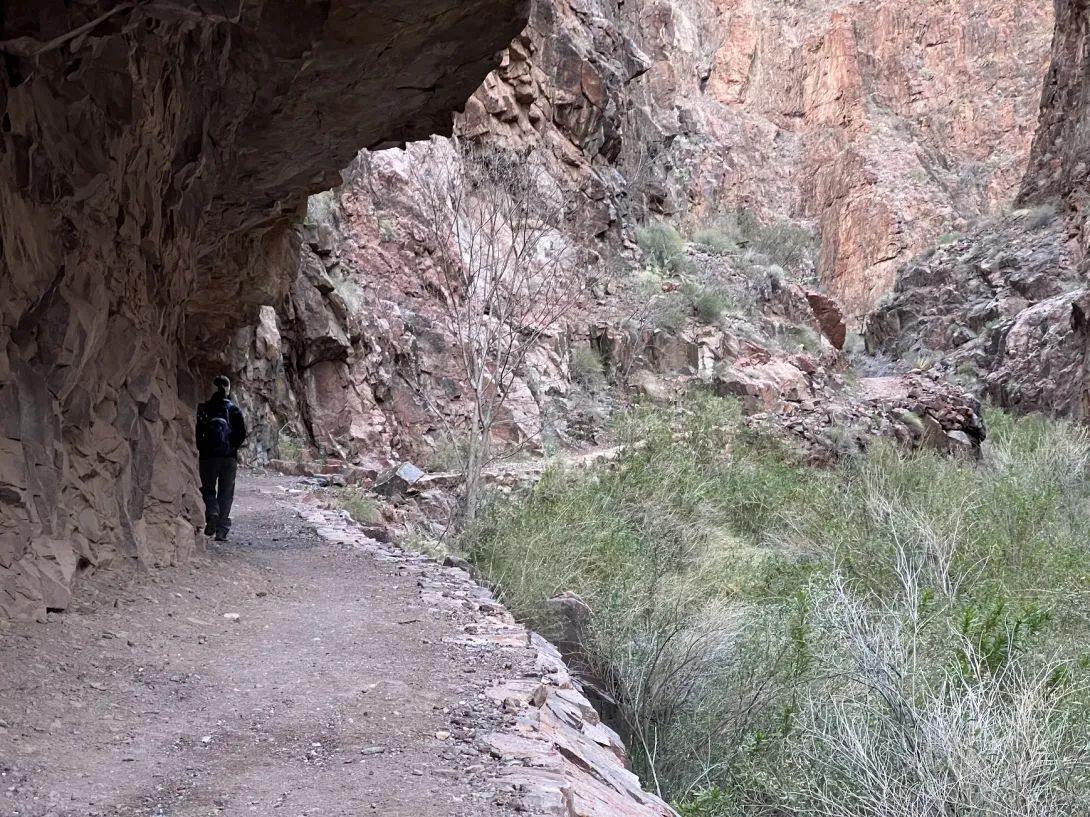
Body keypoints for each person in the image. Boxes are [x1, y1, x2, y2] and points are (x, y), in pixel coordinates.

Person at [195, 375, 247, 541]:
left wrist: (203, 448)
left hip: (208, 458)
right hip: (228, 458)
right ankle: (222, 530)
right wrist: (231, 448)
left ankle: (212, 512)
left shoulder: (203, 409)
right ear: (228, 389)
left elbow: (198, 433)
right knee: (226, 493)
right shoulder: (234, 410)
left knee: (207, 489)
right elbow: (241, 435)